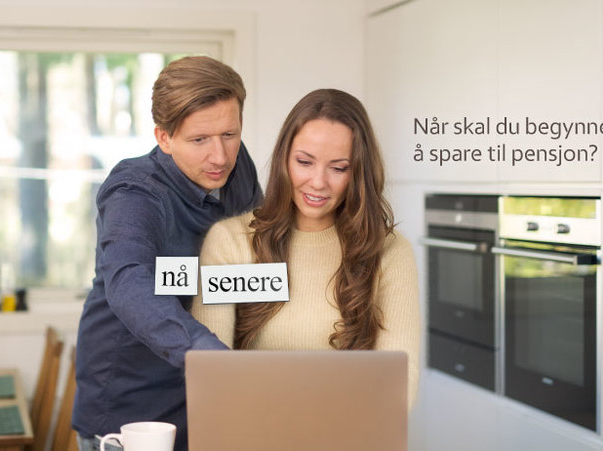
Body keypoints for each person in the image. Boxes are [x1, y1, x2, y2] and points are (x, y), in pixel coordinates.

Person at [73, 56, 262, 451]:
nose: (220, 156)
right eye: (199, 140)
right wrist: (214, 359)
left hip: (210, 405)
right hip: (132, 410)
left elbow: (257, 261)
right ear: (164, 137)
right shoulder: (134, 193)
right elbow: (129, 284)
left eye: (230, 134)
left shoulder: (236, 167)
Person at [190, 88, 420, 406]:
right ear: (284, 159)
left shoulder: (391, 253)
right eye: (304, 162)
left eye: (338, 168)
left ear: (358, 172)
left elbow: (399, 385)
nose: (318, 182)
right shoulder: (230, 243)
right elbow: (212, 374)